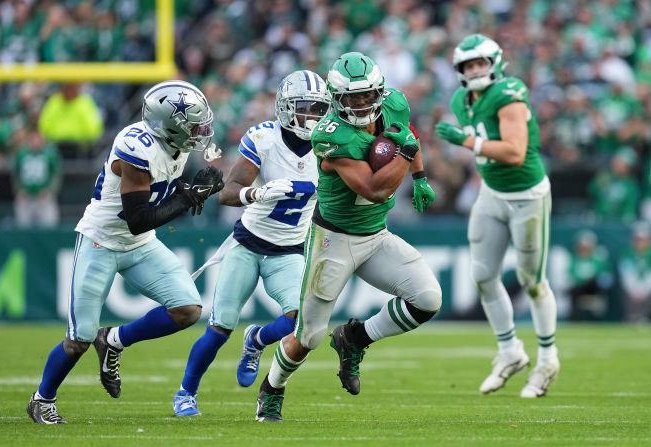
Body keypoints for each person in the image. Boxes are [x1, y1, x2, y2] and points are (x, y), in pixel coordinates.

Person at [254, 52, 440, 422]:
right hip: (333, 240)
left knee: (427, 299)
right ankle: (272, 388)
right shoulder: (330, 134)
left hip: (376, 235)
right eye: (350, 98)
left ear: (379, 92)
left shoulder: (395, 104)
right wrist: (405, 154)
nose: (359, 104)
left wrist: (419, 176)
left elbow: (409, 136)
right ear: (336, 100)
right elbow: (373, 188)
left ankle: (355, 338)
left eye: (366, 96)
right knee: (307, 338)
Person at [26, 80, 225, 424]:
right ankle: (42, 399)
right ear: (167, 125)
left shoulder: (172, 144)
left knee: (188, 309)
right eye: (192, 126)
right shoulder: (136, 146)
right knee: (79, 340)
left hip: (140, 245)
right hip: (102, 241)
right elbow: (138, 218)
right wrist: (188, 196)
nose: (200, 132)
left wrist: (191, 189)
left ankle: (115, 340)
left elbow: (162, 190)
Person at [172, 70, 331, 417]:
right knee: (219, 328)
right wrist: (256, 193)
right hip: (248, 244)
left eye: (320, 109)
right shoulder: (264, 138)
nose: (314, 117)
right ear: (287, 108)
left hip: (288, 250)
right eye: (307, 108)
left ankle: (256, 340)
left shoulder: (330, 146)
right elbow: (227, 193)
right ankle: (186, 392)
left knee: (299, 322)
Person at [435, 34, 560, 398]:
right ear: (460, 70)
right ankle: (509, 352)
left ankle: (548, 359)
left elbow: (515, 151)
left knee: (532, 280)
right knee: (483, 275)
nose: (474, 70)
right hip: (492, 193)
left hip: (527, 196)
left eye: (480, 63)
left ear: (495, 64)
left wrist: (466, 142)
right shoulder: (461, 100)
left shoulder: (509, 94)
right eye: (468, 65)